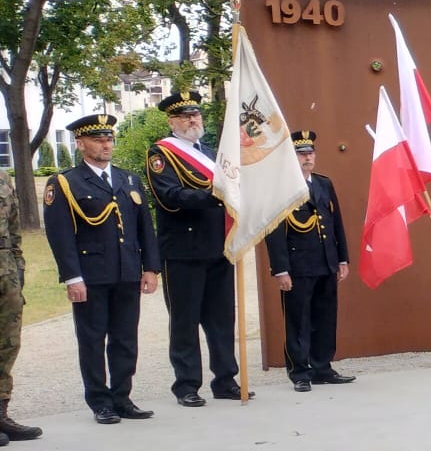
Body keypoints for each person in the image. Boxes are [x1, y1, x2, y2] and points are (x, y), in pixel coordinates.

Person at [43, 113, 160, 424]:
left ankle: (122, 398)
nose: (106, 145)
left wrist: (150, 268)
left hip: (127, 271)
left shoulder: (128, 179)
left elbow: (145, 228)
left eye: (109, 139)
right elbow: (60, 235)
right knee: (92, 339)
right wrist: (72, 277)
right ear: (81, 144)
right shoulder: (66, 182)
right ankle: (99, 401)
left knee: (125, 338)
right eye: (98, 140)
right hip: (91, 274)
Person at [148, 94, 244, 405]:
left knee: (222, 319)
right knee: (185, 321)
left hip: (218, 246)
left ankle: (225, 379)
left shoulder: (211, 154)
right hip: (184, 249)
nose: (192, 120)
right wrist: (214, 195)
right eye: (184, 116)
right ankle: (187, 385)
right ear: (171, 121)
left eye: (195, 115)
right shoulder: (161, 154)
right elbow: (169, 196)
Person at [264, 131, 353, 393]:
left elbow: (335, 223)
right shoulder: (281, 188)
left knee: (325, 317)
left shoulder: (323, 184)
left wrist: (342, 258)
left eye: (310, 153)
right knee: (298, 321)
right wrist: (281, 269)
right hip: (298, 265)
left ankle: (322, 367)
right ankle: (300, 372)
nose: (307, 158)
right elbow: (274, 231)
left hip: (326, 262)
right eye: (301, 154)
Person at [0, 156, 40, 444]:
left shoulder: (3, 177)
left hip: (6, 274)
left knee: (8, 343)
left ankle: (1, 413)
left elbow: (14, 231)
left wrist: (19, 268)